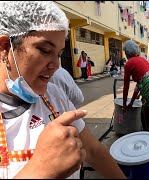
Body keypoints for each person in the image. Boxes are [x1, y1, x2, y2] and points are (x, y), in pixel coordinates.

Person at [0, 1, 125, 179]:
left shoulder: (54, 94)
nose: (56, 65)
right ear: (5, 47)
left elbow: (93, 150)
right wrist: (41, 170)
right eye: (45, 50)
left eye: (58, 54)